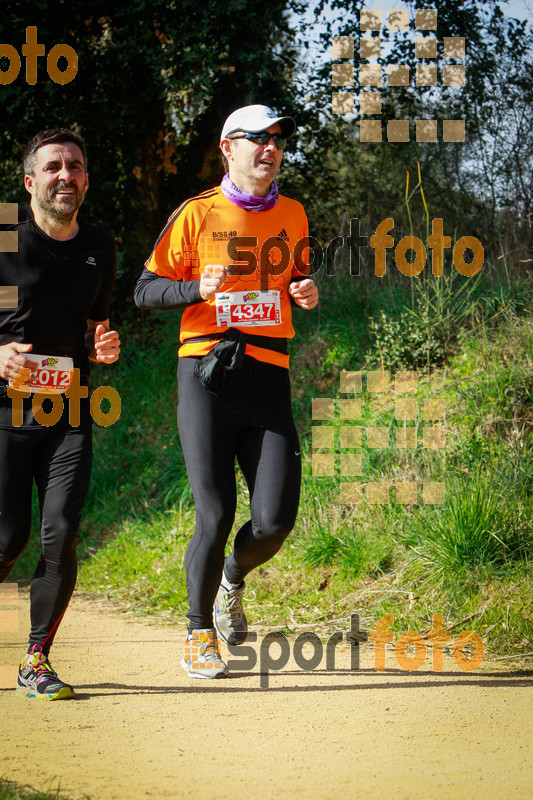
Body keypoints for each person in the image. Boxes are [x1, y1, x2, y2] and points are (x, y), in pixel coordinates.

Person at [135, 104, 318, 679]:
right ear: (227, 147)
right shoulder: (195, 214)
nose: (271, 148)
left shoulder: (293, 213)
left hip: (268, 374)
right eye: (258, 138)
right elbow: (144, 290)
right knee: (214, 515)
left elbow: (296, 282)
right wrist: (194, 287)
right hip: (207, 374)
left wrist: (306, 291)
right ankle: (197, 631)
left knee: (275, 521)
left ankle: (231, 581)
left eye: (278, 139)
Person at [0, 129, 120, 699]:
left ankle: (36, 659)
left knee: (61, 533)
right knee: (7, 537)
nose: (64, 175)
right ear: (29, 182)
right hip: (4, 411)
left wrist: (103, 341)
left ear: (86, 181)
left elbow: (93, 321)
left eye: (75, 166)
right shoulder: (5, 238)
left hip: (68, 410)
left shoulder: (98, 246)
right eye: (52, 167)